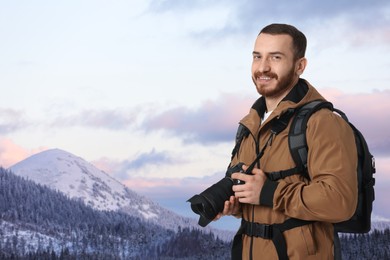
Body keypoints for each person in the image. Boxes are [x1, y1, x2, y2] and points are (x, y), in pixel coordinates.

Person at [214, 23, 358, 259]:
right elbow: (261, 200)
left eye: (276, 57)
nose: (263, 67)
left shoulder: (322, 123)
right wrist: (239, 205)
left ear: (300, 65)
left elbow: (340, 201)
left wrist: (270, 192)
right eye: (257, 56)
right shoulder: (250, 126)